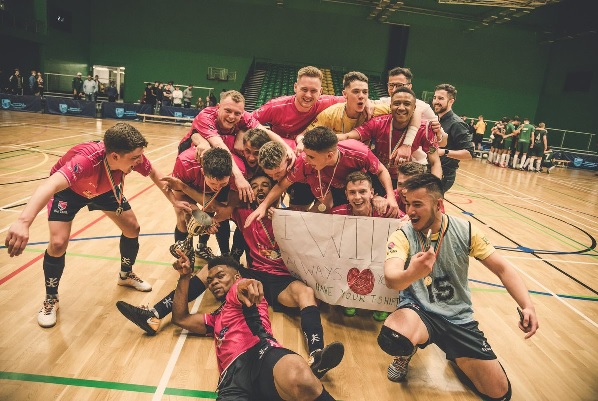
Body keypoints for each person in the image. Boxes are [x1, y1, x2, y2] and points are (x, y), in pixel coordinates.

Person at [117, 175, 345, 379]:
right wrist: (184, 187)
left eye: (266, 185)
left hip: (281, 279)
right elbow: (214, 206)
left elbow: (325, 213)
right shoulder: (243, 211)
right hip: (252, 275)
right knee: (211, 267)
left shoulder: (291, 216)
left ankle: (317, 354)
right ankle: (155, 314)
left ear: (277, 191)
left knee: (306, 293)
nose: (260, 189)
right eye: (255, 186)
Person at [4, 123, 187, 329]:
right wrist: (23, 222)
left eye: (139, 157)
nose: (139, 162)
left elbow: (154, 172)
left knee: (132, 228)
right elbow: (50, 185)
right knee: (57, 243)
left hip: (104, 190)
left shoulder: (132, 157)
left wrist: (174, 202)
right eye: (134, 158)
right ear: (115, 156)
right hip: (70, 192)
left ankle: (125, 275)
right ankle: (51, 298)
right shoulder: (86, 161)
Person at [380, 173, 538, 400]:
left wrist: (528, 305)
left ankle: (456, 354)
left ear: (439, 204)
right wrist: (412, 273)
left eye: (417, 204)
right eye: (407, 204)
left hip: (458, 317)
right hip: (419, 311)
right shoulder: (403, 234)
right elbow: (391, 278)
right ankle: (406, 352)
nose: (410, 211)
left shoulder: (466, 231)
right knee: (394, 335)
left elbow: (503, 269)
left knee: (500, 394)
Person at [170, 253, 339, 400]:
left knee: (300, 376)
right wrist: (184, 277)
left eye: (220, 276)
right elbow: (180, 318)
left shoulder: (242, 295)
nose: (213, 282)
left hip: (262, 354)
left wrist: (245, 285)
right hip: (232, 380)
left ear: (236, 276)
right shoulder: (215, 319)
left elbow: (241, 288)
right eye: (210, 280)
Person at [246, 126, 399, 225]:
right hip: (336, 189)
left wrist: (389, 197)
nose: (305, 159)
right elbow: (282, 185)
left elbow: (381, 171)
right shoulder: (304, 162)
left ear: (329, 155)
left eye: (311, 156)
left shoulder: (358, 152)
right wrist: (263, 206)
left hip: (359, 186)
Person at [331, 171, 406, 321]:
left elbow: (407, 222)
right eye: (352, 192)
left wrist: (405, 221)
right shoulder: (336, 214)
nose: (357, 197)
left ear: (371, 193)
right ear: (346, 195)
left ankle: (381, 303)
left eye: (362, 191)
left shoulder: (386, 212)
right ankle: (349, 299)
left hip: (380, 261)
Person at [342, 86, 442, 191]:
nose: (401, 108)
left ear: (414, 108)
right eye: (397, 103)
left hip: (406, 177)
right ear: (390, 106)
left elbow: (435, 162)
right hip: (378, 175)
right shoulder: (378, 122)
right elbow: (348, 136)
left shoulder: (426, 129)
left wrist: (435, 187)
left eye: (407, 104)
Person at [374, 67, 447, 161]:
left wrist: (439, 133)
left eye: (400, 85)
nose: (394, 89)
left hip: (414, 166)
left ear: (409, 87)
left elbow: (443, 143)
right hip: (384, 163)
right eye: (391, 85)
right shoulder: (382, 103)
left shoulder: (423, 107)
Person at [306, 71, 387, 135]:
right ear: (345, 94)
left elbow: (397, 107)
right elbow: (306, 135)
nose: (361, 96)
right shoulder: (330, 114)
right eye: (356, 91)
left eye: (365, 92)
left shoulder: (374, 110)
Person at [433, 84, 473, 192]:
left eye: (440, 98)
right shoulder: (435, 119)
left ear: (451, 101)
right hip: (431, 170)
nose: (436, 101)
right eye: (434, 97)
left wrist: (444, 152)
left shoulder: (457, 124)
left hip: (444, 174)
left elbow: (469, 153)